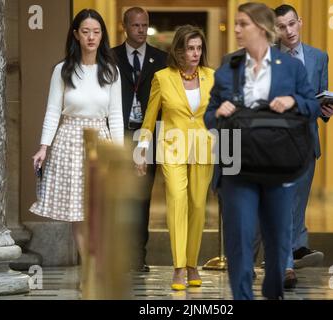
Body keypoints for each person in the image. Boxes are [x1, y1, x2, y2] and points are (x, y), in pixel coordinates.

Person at [204, 2, 320, 299]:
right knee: (240, 243)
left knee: (279, 242)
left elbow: (312, 106)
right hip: (237, 168)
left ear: (262, 28)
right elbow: (208, 116)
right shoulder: (229, 67)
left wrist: (294, 102)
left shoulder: (291, 68)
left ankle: (273, 293)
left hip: (278, 167)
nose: (237, 30)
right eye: (237, 24)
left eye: (243, 24)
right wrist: (219, 112)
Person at [30, 9, 124, 261]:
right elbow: (52, 111)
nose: (91, 37)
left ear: (102, 35)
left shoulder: (111, 72)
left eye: (96, 32)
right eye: (85, 32)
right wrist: (43, 147)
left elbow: (115, 116)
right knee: (78, 212)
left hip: (100, 141)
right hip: (69, 140)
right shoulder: (63, 70)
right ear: (76, 35)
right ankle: (90, 268)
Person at [136, 25, 215, 291]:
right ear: (178, 51)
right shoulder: (162, 77)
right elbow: (149, 118)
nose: (195, 53)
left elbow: (219, 116)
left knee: (197, 206)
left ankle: (193, 264)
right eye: (189, 48)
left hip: (204, 149)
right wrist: (141, 151)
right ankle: (179, 268)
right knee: (177, 200)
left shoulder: (212, 77)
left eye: (198, 48)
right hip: (172, 148)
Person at [273, 4, 333, 280]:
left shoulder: (319, 57)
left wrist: (328, 111)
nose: (288, 31)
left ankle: (293, 250)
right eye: (282, 27)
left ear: (300, 22)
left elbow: (322, 95)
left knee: (297, 208)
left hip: (307, 143)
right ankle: (285, 264)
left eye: (291, 24)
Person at [112, 7, 167, 273]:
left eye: (145, 25)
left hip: (147, 136)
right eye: (136, 26)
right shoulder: (110, 57)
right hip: (118, 134)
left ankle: (137, 257)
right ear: (125, 27)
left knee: (142, 198)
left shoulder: (161, 59)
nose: (141, 30)